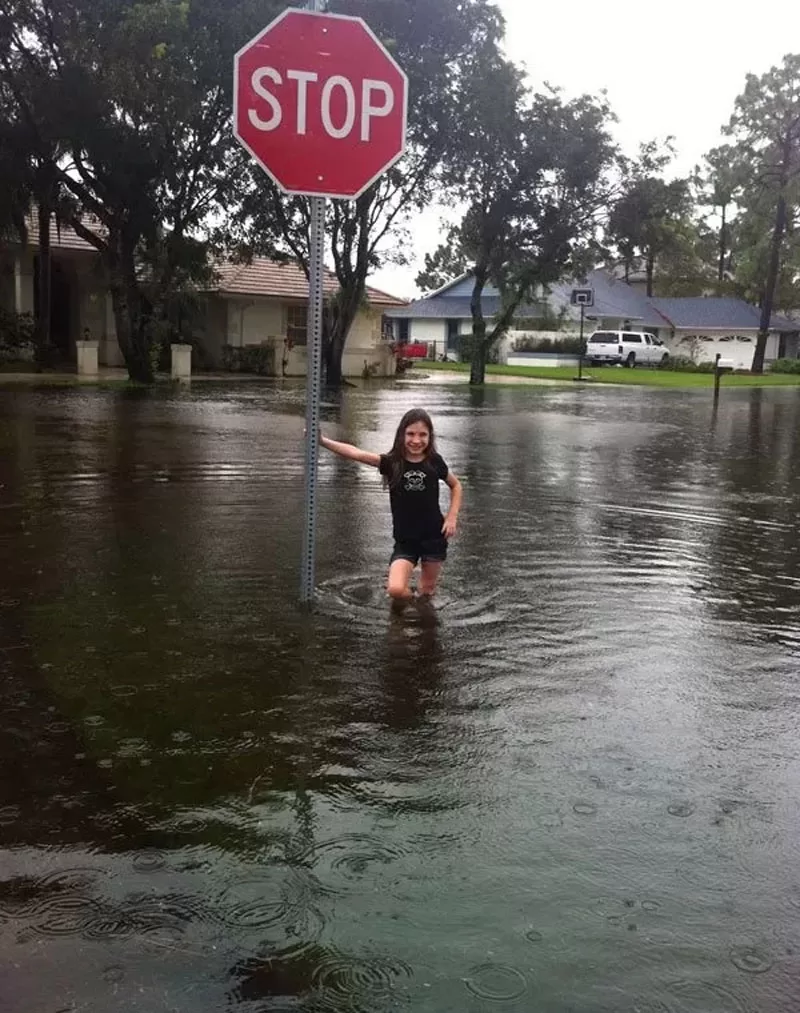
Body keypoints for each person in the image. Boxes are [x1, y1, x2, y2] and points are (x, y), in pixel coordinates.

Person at [319, 408, 463, 607]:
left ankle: (422, 623)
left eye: (423, 435)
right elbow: (356, 453)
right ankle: (412, 606)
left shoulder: (434, 462)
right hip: (405, 540)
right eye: (411, 434)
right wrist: (323, 441)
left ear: (430, 437)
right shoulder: (392, 463)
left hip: (434, 537)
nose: (416, 440)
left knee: (427, 592)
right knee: (395, 589)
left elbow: (456, 485)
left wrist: (451, 517)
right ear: (402, 435)